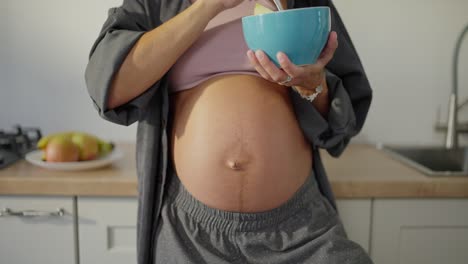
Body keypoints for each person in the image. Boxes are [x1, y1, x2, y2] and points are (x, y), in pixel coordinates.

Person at [85, 0, 373, 263]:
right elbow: (109, 89)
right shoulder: (156, 4)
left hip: (300, 230)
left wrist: (314, 87)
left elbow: (341, 127)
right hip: (190, 235)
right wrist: (212, 5)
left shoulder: (305, 4)